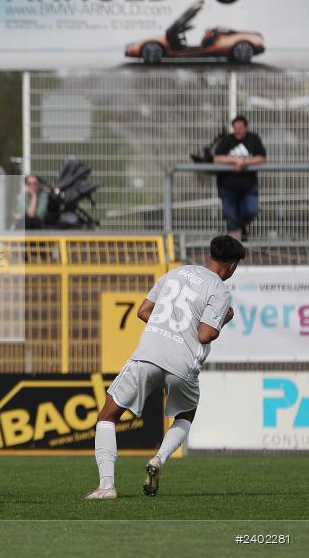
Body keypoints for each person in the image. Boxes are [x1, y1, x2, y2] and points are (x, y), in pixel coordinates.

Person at [85, 235, 244, 500]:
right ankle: (159, 458)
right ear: (232, 266)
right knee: (185, 414)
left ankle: (106, 486)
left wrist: (167, 326)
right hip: (182, 363)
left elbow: (143, 311)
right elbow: (205, 334)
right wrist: (223, 320)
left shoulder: (175, 273)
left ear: (210, 255)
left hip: (148, 355)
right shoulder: (219, 289)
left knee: (108, 416)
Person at [213, 115, 267, 241]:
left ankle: (241, 226)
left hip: (249, 186)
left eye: (240, 128)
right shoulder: (227, 140)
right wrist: (235, 161)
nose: (237, 131)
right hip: (228, 186)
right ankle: (236, 245)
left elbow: (262, 158)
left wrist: (245, 163)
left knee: (251, 210)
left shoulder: (253, 139)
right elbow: (217, 158)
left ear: (246, 128)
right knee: (231, 216)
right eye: (235, 128)